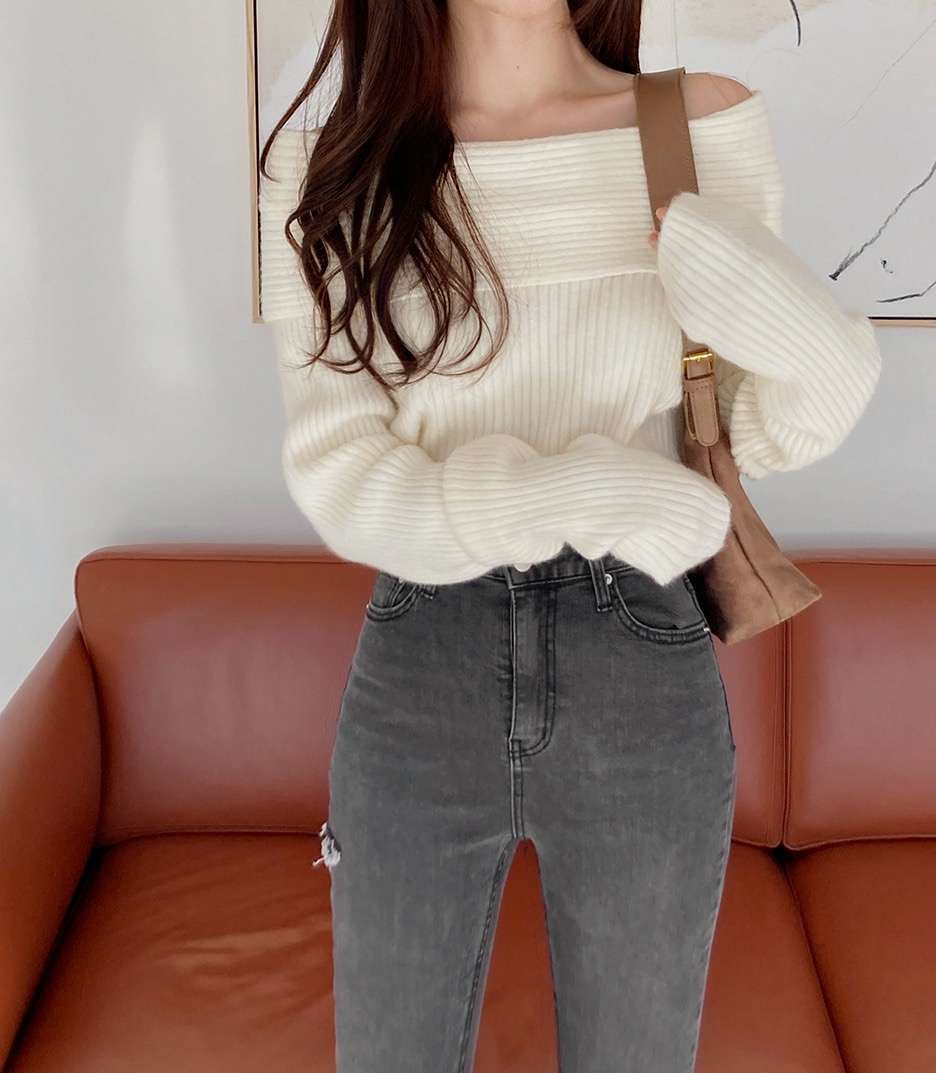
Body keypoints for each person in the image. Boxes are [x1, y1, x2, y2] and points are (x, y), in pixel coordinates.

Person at [259, 3, 882, 1070]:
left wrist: (827, 350)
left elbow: (753, 427)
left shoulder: (696, 127)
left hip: (640, 660)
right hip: (421, 667)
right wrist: (596, 491)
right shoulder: (328, 172)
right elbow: (343, 475)